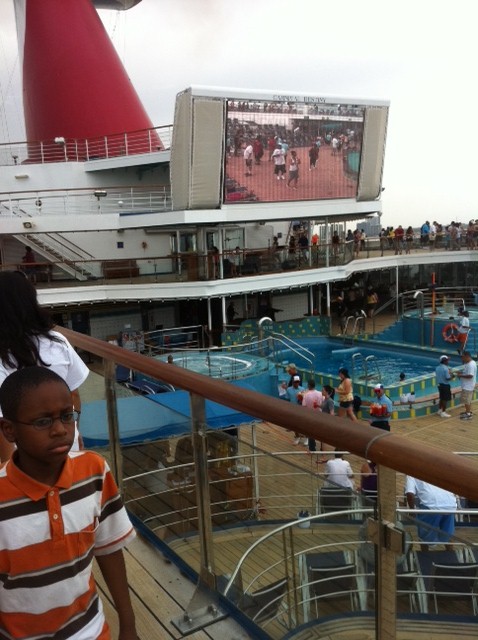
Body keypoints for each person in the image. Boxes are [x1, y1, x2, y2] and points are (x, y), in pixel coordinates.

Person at [0, 367, 138, 639]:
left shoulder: (94, 472)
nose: (60, 430)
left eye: (67, 416)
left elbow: (108, 549)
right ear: (9, 430)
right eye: (42, 422)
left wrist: (129, 623)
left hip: (91, 629)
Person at [0, 271, 89, 462]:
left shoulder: (3, 355)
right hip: (66, 447)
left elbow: (1, 423)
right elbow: (73, 394)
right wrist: (75, 431)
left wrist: (7, 469)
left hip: (26, 460)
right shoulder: (58, 341)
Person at [405, 476, 457, 551]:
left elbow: (410, 493)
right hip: (450, 505)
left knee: (423, 535)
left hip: (431, 505)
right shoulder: (434, 468)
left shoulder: (411, 474)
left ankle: (425, 555)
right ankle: (451, 554)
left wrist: (412, 511)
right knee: (448, 535)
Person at [302, 379, 323, 452]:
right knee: (320, 431)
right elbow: (322, 403)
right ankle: (322, 448)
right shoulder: (320, 393)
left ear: (308, 385)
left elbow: (304, 406)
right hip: (319, 414)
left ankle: (312, 448)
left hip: (310, 415)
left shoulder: (306, 394)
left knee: (311, 432)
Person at [456, 351, 477, 420]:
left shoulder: (470, 365)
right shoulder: (471, 363)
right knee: (467, 400)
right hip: (468, 385)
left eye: (463, 357)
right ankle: (468, 412)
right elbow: (467, 372)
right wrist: (461, 373)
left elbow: (470, 375)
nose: (462, 359)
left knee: (466, 400)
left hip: (468, 386)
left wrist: (460, 375)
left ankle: (468, 414)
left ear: (467, 356)